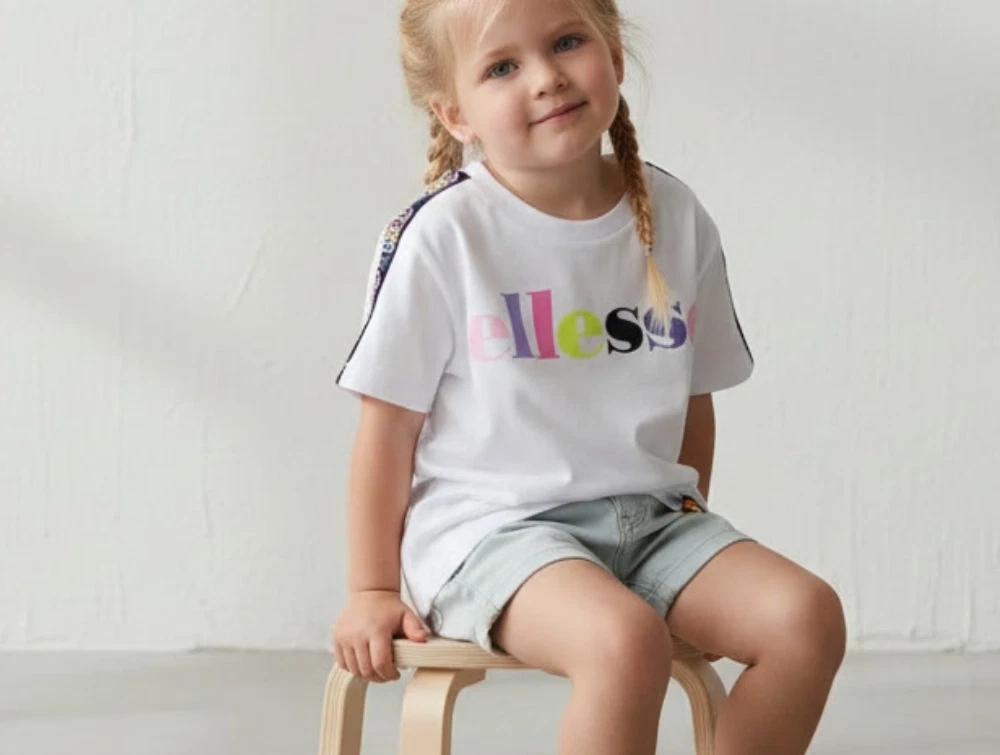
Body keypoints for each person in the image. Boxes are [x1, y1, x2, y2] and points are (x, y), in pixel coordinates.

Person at [332, 0, 847, 752]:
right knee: (625, 640)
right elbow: (386, 429)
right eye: (502, 67)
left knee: (806, 617)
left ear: (613, 53)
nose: (545, 77)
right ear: (455, 114)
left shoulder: (674, 215)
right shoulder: (445, 237)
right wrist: (371, 589)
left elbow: (691, 397)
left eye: (567, 41)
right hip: (495, 533)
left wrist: (689, 531)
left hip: (655, 521)